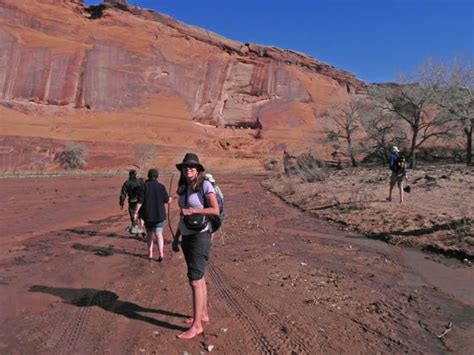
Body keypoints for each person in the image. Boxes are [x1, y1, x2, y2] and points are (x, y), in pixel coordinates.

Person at [172, 153, 219, 340]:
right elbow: (182, 215)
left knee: (194, 280)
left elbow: (214, 210)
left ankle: (197, 325)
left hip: (200, 236)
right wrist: (176, 237)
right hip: (187, 237)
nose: (188, 169)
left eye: (192, 167)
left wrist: (194, 210)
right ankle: (203, 314)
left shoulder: (205, 186)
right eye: (185, 167)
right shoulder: (184, 189)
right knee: (199, 278)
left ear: (198, 169)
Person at [133, 169, 171, 261]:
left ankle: (150, 253)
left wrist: (135, 212)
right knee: (158, 234)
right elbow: (167, 200)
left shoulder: (144, 186)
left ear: (148, 176)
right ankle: (161, 254)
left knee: (149, 234)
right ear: (157, 176)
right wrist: (170, 199)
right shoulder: (161, 187)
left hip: (148, 215)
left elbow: (140, 202)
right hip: (159, 215)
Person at [119, 169, 145, 236]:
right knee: (141, 216)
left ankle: (136, 230)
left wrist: (121, 203)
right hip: (141, 201)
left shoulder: (127, 183)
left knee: (134, 216)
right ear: (136, 174)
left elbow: (123, 194)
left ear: (129, 175)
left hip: (132, 202)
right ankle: (142, 229)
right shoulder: (140, 181)